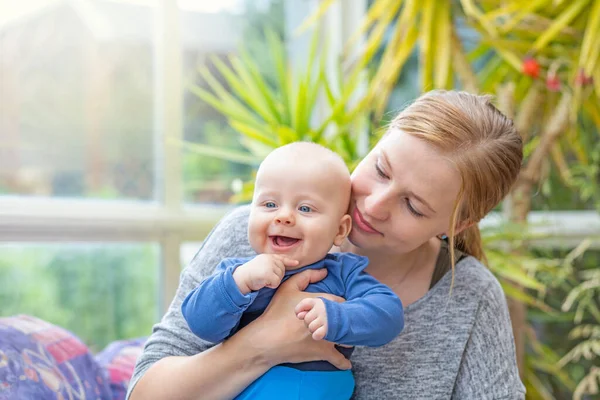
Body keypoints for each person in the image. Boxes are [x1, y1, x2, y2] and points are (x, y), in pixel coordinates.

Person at [127, 90, 526, 400]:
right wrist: (263, 345)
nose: (374, 205)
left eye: (413, 206)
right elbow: (145, 392)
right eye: (380, 169)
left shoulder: (469, 296)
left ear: (458, 224)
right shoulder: (254, 236)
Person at [180, 142, 404, 399]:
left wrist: (337, 317)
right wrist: (238, 283)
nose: (283, 217)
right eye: (269, 204)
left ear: (340, 230)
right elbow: (199, 323)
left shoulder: (344, 273)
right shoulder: (237, 273)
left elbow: (389, 315)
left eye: (305, 208)